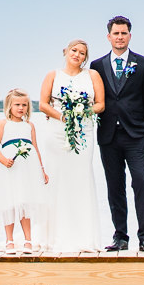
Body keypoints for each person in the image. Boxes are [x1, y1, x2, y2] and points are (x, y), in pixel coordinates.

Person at [90, 16, 144, 253]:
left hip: (136, 135)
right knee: (114, 186)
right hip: (108, 136)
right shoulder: (96, 66)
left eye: (124, 33)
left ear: (130, 35)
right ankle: (120, 236)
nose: (120, 37)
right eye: (116, 33)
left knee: (141, 182)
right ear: (108, 36)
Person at [37, 39, 105, 253]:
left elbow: (101, 104)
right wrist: (63, 116)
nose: (77, 55)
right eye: (74, 50)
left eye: (82, 53)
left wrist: (81, 113)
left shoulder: (92, 75)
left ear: (86, 57)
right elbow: (43, 104)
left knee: (81, 177)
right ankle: (53, 236)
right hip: (57, 132)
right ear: (65, 51)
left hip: (84, 131)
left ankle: (83, 237)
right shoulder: (52, 75)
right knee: (56, 180)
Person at [0, 88, 48, 254]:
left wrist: (42, 171)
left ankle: (28, 240)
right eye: (17, 105)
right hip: (9, 168)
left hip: (27, 169)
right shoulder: (2, 124)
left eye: (24, 105)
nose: (21, 108)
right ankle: (9, 240)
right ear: (9, 105)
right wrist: (3, 160)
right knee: (10, 202)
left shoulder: (29, 126)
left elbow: (35, 148)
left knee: (25, 202)